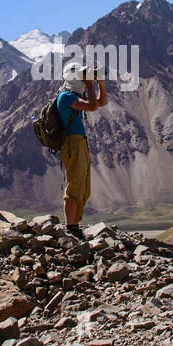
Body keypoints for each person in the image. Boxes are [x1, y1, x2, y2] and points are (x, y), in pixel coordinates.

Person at [57, 61, 107, 238]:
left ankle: (75, 224)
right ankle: (70, 227)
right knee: (75, 184)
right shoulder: (65, 97)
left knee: (84, 187)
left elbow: (101, 102)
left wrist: (99, 82)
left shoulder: (74, 96)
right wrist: (89, 83)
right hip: (72, 143)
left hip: (80, 142)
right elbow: (92, 105)